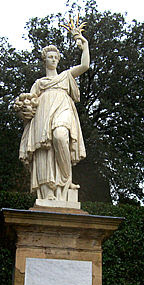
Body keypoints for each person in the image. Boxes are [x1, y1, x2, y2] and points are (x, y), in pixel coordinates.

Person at [14, 33, 90, 201]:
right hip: (43, 116)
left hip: (63, 109)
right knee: (45, 150)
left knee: (60, 136)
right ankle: (48, 192)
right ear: (45, 60)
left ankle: (66, 179)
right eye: (50, 57)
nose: (53, 59)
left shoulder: (65, 76)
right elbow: (27, 105)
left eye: (56, 57)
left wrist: (84, 46)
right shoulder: (39, 83)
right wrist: (23, 110)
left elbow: (85, 65)